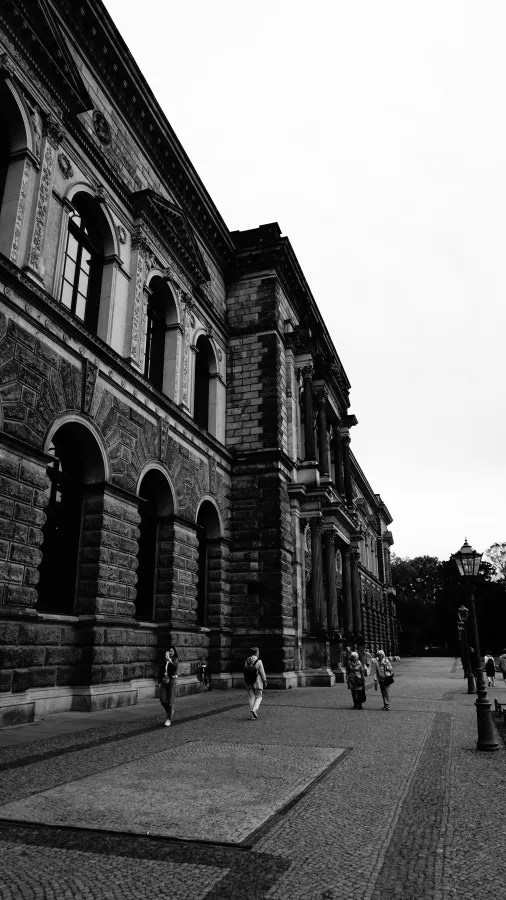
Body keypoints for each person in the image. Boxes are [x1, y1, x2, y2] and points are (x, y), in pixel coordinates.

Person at [244, 646, 267, 720]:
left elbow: (245, 672)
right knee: (259, 696)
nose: (259, 653)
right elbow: (262, 673)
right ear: (256, 653)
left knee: (251, 697)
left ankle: (252, 715)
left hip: (249, 682)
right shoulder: (259, 661)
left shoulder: (247, 661)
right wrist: (265, 681)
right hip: (257, 682)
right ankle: (254, 710)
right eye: (258, 652)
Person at [159, 646, 179, 726]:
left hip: (172, 681)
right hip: (164, 681)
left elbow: (174, 668)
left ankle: (168, 719)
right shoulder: (164, 660)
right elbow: (161, 671)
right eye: (169, 651)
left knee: (170, 700)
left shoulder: (175, 660)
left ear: (174, 652)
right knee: (163, 700)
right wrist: (159, 681)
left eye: (172, 651)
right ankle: (170, 711)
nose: (170, 652)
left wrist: (170, 660)